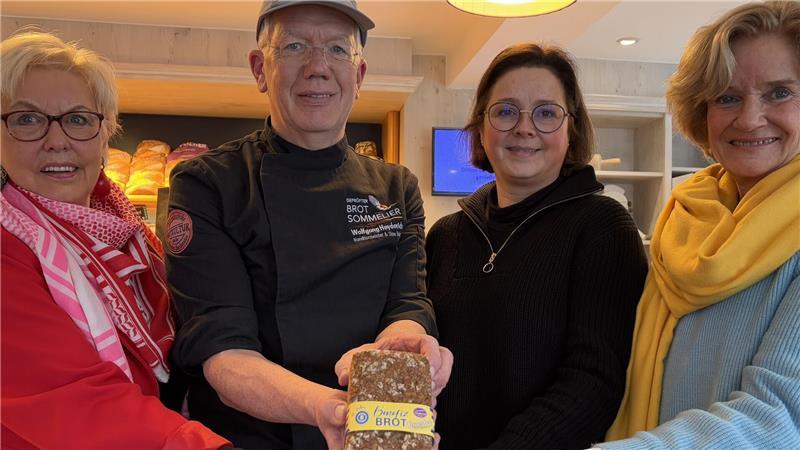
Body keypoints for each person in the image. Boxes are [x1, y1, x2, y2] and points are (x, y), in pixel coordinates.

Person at [164, 1, 452, 449]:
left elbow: (407, 304)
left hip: (367, 429)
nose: (318, 68)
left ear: (359, 76)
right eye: (294, 46)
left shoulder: (396, 187)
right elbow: (223, 351)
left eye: (337, 49)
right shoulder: (208, 183)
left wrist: (406, 344)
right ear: (260, 69)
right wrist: (329, 408)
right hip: (248, 438)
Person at [0, 31, 231, 449]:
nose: (57, 141)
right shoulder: (7, 248)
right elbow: (74, 399)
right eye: (27, 119)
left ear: (105, 133)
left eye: (78, 119)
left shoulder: (131, 235)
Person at [425, 43, 648, 449]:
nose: (524, 128)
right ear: (481, 127)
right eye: (505, 111)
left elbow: (594, 381)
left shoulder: (603, 226)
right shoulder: (445, 234)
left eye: (546, 113)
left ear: (571, 129)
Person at [600, 1, 800, 448]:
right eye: (727, 97)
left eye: (778, 92)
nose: (749, 118)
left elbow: (778, 418)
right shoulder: (686, 212)